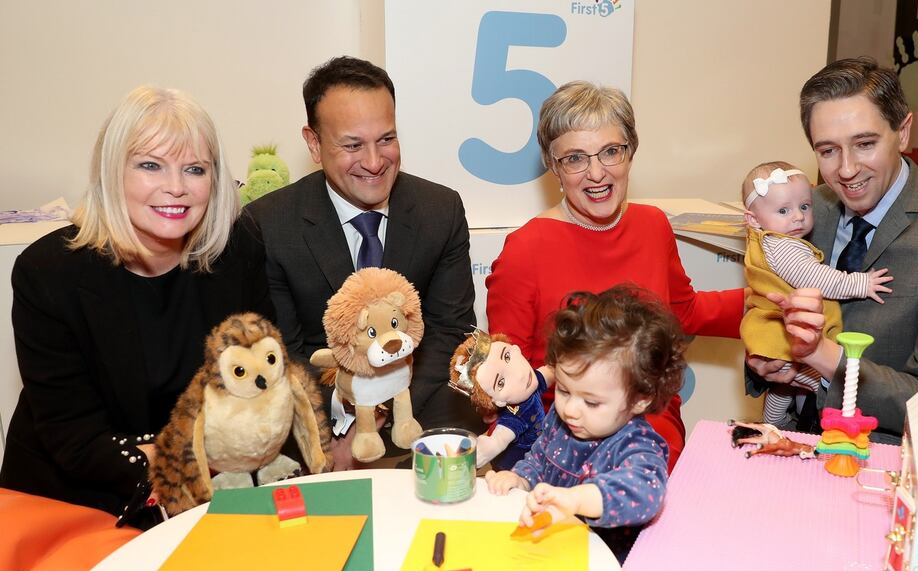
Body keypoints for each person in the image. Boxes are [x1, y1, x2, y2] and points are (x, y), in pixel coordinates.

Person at [0, 86, 274, 522]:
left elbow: (261, 385)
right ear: (112, 173)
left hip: (205, 487)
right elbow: (76, 440)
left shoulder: (238, 250)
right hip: (72, 501)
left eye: (195, 169)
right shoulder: (47, 273)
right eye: (151, 165)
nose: (176, 188)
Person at [747, 57, 918, 442]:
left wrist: (821, 356)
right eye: (828, 151)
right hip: (790, 440)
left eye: (865, 144)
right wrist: (760, 361)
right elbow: (763, 301)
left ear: (902, 132)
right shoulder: (806, 211)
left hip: (883, 459)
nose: (847, 170)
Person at [485, 81, 743, 471]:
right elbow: (504, 379)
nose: (596, 173)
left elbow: (682, 311)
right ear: (553, 166)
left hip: (650, 422)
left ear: (630, 152)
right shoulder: (525, 248)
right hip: (564, 439)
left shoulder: (653, 225)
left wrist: (768, 303)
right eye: (575, 158)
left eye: (610, 151)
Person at [245, 56, 481, 467]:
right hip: (318, 409)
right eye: (352, 145)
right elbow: (283, 353)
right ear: (314, 144)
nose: (374, 162)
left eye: (386, 139)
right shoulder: (269, 225)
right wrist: (343, 415)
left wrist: (384, 406)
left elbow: (449, 329)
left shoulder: (440, 210)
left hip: (419, 400)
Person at [485, 286, 685, 563]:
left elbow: (646, 492)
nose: (570, 410)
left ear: (640, 400)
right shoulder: (560, 419)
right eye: (564, 391)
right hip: (551, 550)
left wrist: (576, 500)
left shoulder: (637, 444)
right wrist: (520, 478)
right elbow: (540, 458)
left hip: (603, 560)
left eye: (591, 402)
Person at [740, 161, 892, 426]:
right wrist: (861, 283)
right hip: (784, 332)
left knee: (785, 384)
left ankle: (773, 423)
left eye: (804, 207)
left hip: (777, 332)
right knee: (810, 378)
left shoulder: (768, 240)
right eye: (784, 210)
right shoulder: (784, 247)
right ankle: (777, 423)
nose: (798, 216)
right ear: (753, 219)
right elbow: (817, 279)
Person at [448, 330, 554, 470]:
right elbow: (498, 440)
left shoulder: (532, 381)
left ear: (514, 348)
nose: (519, 374)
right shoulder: (516, 414)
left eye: (507, 356)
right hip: (515, 467)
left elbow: (551, 371)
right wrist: (483, 451)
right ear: (498, 401)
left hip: (540, 453)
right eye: (500, 383)